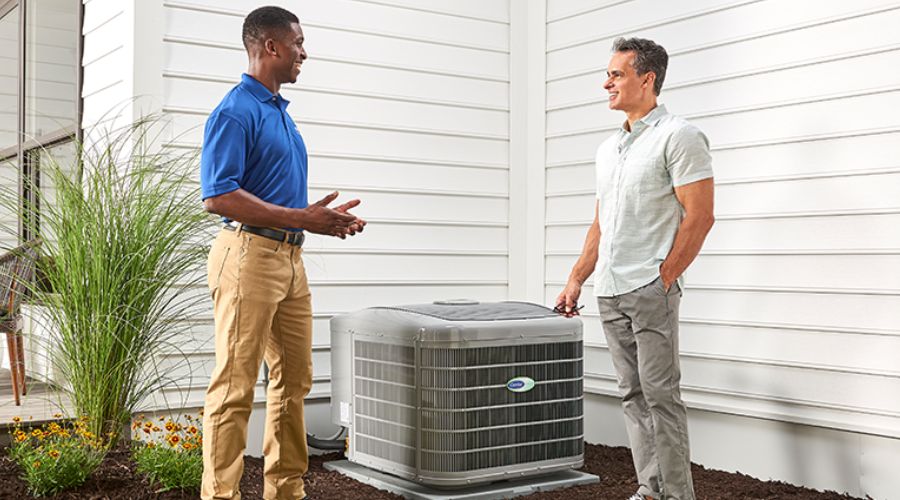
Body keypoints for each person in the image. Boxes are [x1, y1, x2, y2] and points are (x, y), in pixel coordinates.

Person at [199, 6, 365, 500]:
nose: (304, 53)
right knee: (234, 387)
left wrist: (325, 222)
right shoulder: (235, 111)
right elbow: (217, 196)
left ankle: (286, 490)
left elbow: (281, 197)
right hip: (247, 256)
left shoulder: (279, 113)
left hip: (289, 261)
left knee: (294, 381)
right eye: (298, 42)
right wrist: (300, 218)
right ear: (270, 46)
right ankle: (220, 495)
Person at [555, 37, 714, 500]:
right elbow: (601, 222)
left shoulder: (679, 136)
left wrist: (663, 277)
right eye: (608, 74)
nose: (606, 83)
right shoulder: (610, 149)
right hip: (609, 288)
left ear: (648, 79)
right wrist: (576, 278)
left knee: (661, 397)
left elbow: (700, 216)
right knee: (633, 396)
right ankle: (651, 489)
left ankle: (679, 496)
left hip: (649, 289)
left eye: (616, 74)